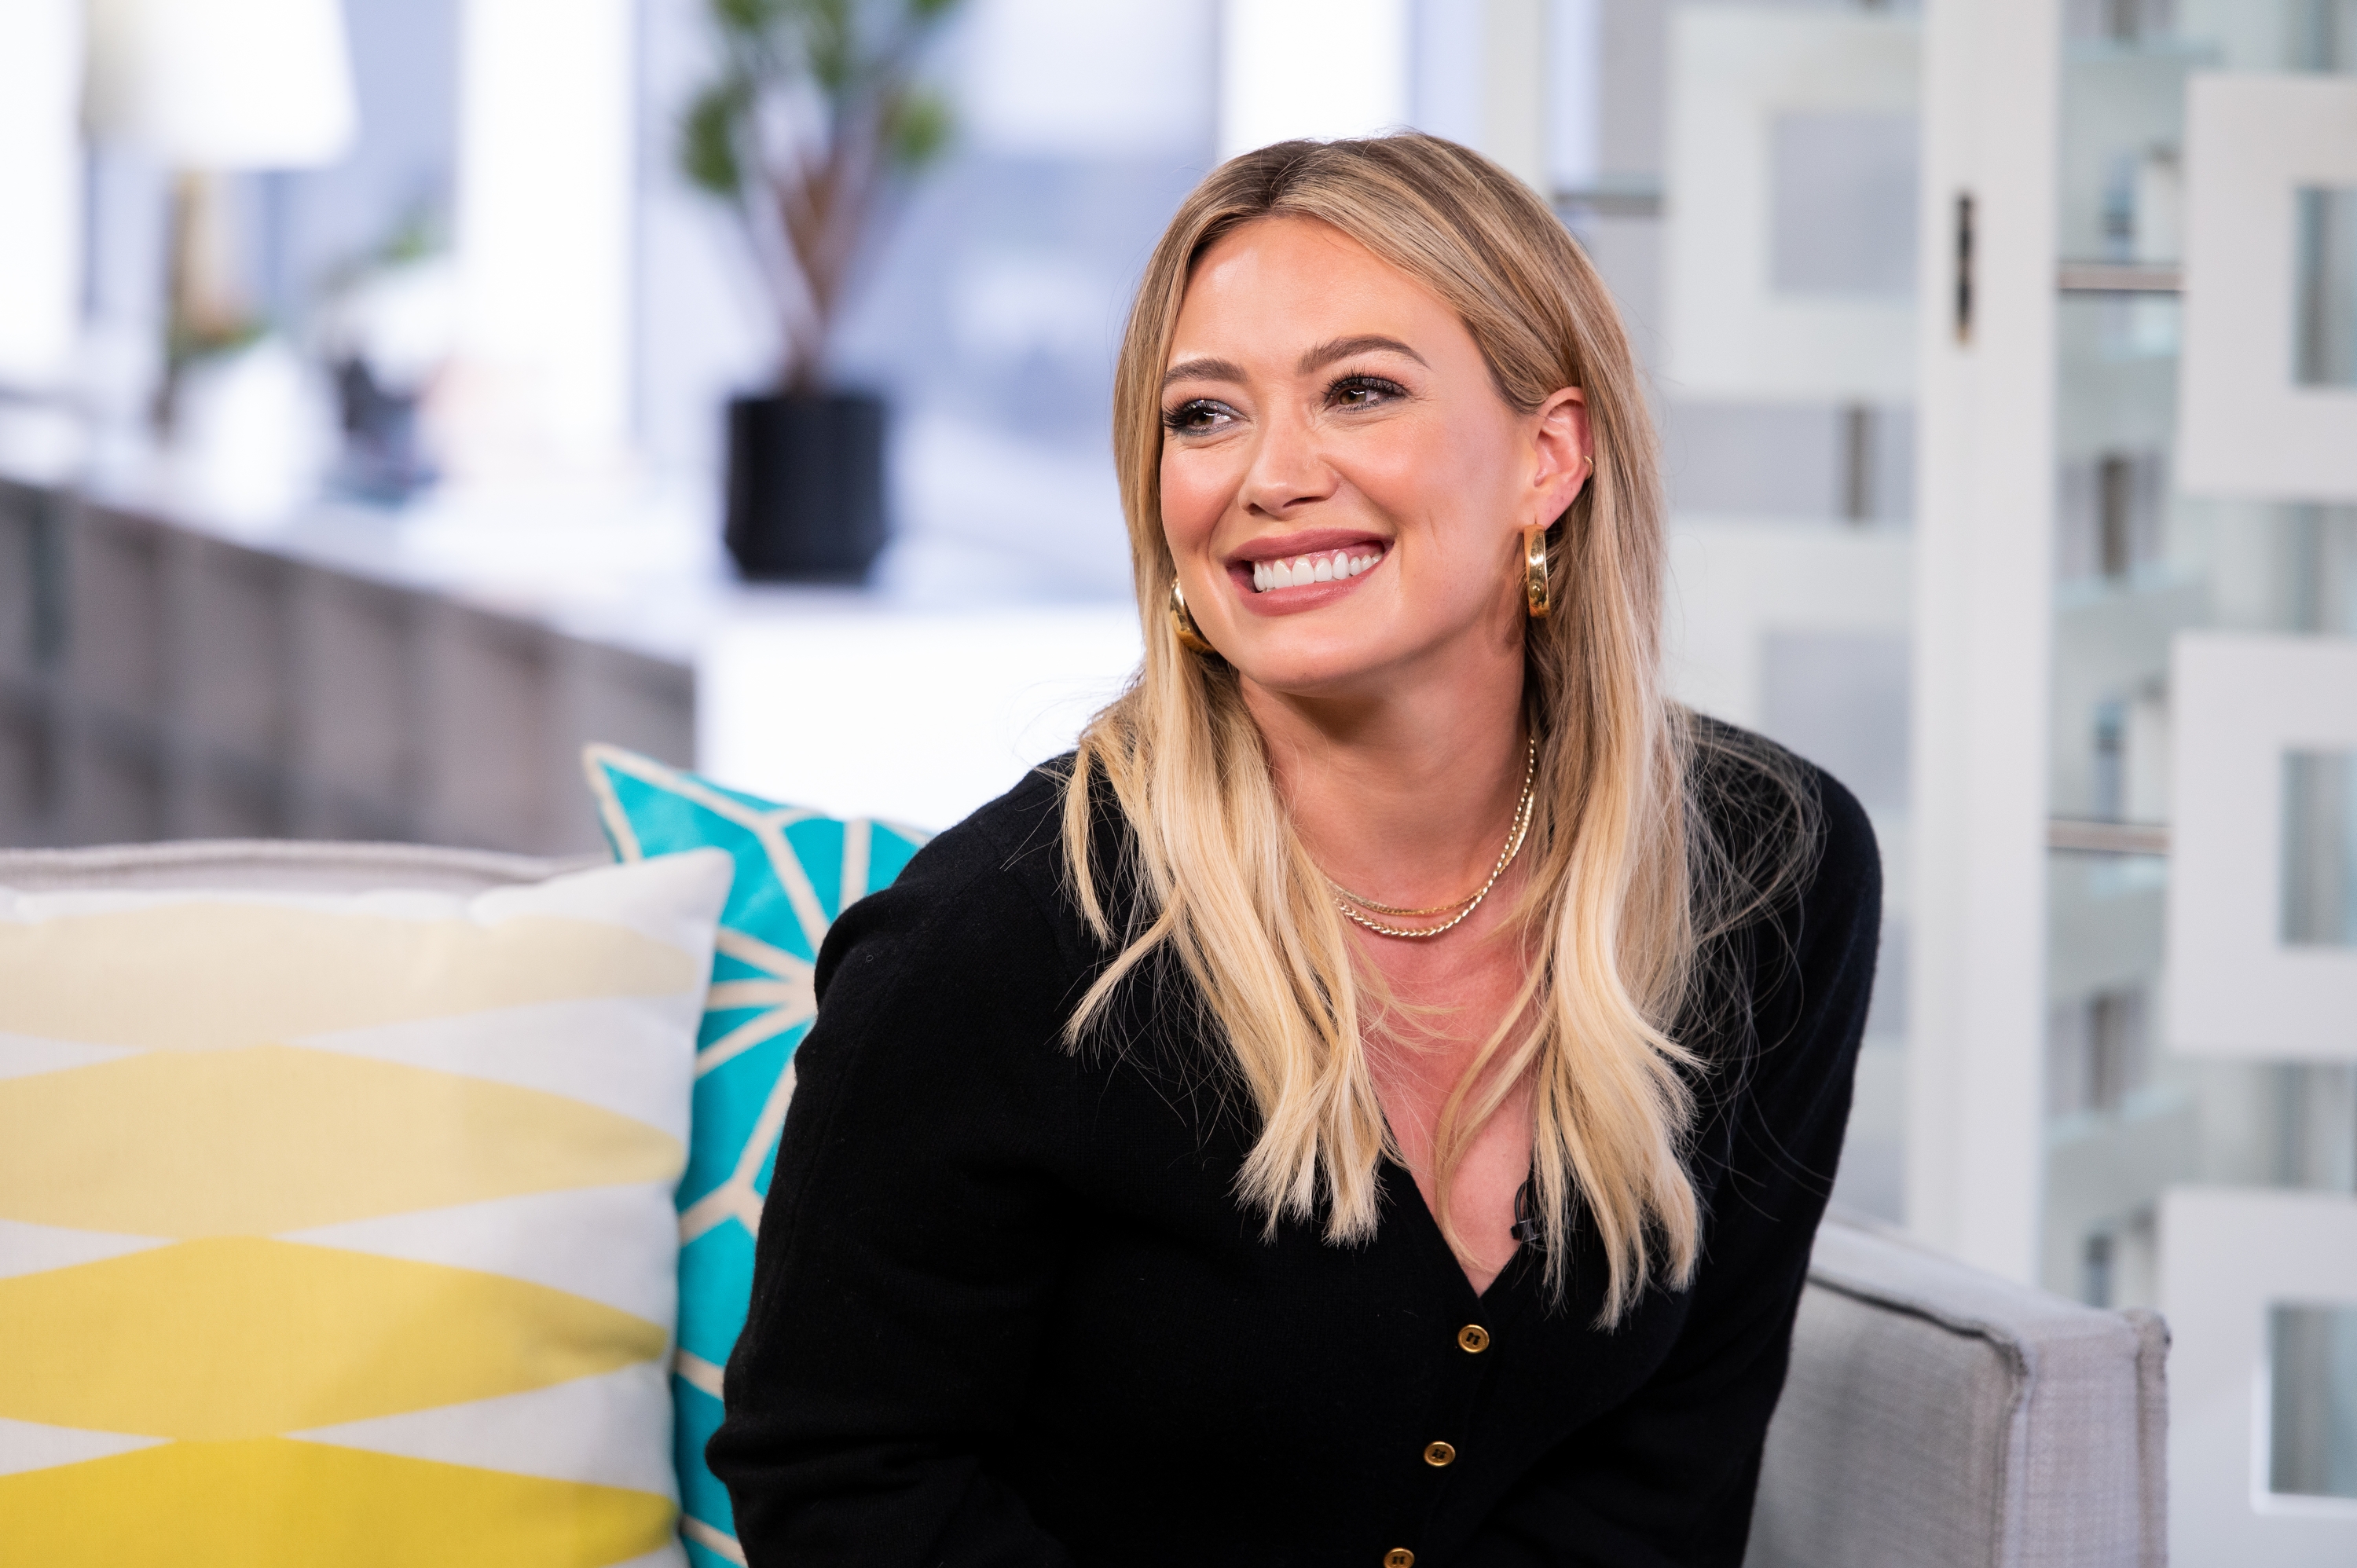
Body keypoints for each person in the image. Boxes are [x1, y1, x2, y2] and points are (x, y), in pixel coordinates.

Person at [709, 133, 1881, 1568]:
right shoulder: (993, 946)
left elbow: (1667, 1474)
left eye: (1361, 391)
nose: (1268, 475)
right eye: (1204, 416)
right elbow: (838, 1486)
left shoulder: (1769, 871)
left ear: (1548, 457)